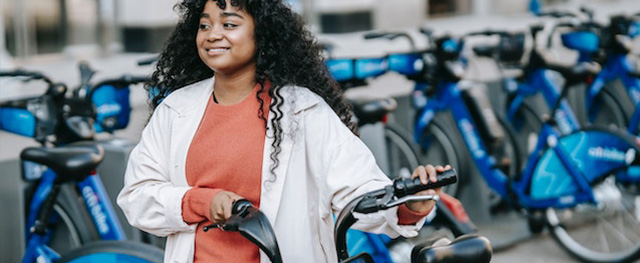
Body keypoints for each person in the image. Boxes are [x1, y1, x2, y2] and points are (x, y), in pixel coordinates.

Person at [117, 0, 451, 262]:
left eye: (229, 24)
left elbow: (359, 190)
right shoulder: (176, 110)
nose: (213, 34)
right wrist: (201, 201)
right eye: (205, 25)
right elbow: (137, 197)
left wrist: (409, 206)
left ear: (261, 34)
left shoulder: (302, 110)